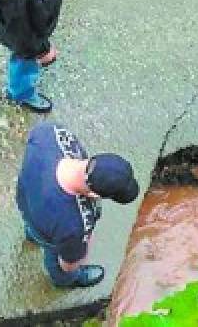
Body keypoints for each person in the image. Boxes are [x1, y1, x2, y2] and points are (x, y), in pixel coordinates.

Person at [17, 123, 139, 287]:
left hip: (25, 199)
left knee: (32, 229)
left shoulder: (51, 134)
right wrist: (85, 241)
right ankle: (64, 282)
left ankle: (31, 237)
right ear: (94, 194)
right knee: (58, 260)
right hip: (48, 230)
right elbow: (68, 264)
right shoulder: (74, 224)